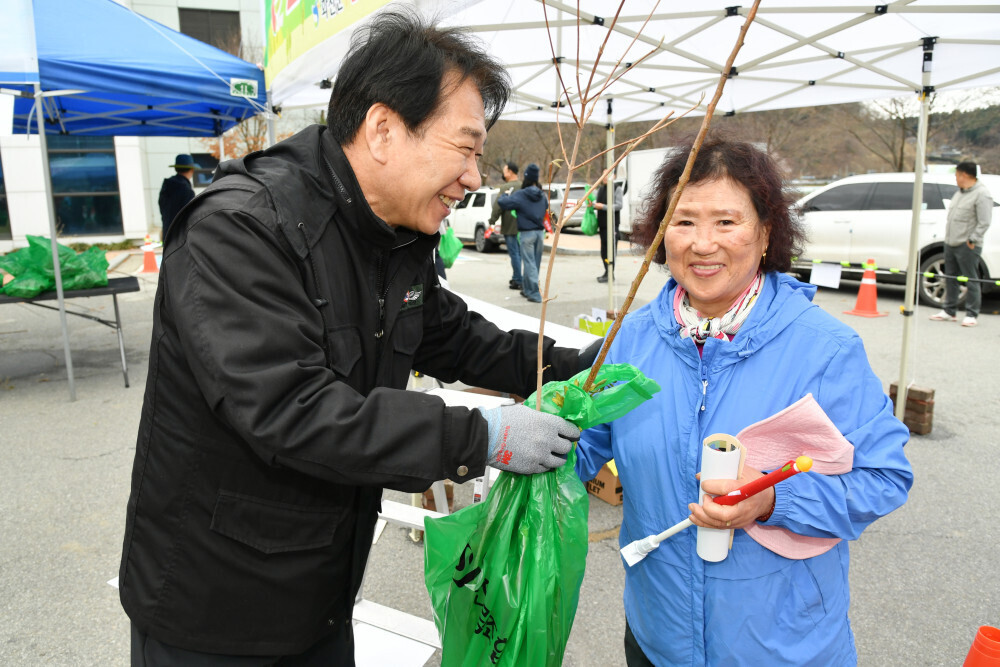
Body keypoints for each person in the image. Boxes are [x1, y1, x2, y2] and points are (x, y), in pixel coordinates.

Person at [119, 10, 600, 665]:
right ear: (382, 130)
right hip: (213, 612)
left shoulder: (390, 236)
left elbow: (457, 337)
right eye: (465, 148)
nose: (474, 177)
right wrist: (482, 436)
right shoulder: (239, 230)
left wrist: (582, 364)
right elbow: (292, 408)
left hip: (320, 597)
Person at [575, 136, 913, 666]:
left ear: (765, 232)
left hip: (784, 648)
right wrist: (525, 442)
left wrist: (774, 501)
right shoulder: (630, 342)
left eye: (726, 222)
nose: (702, 243)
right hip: (657, 636)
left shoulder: (824, 349)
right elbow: (583, 448)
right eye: (684, 221)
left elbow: (884, 477)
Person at [929, 160, 993, 327]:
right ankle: (949, 310)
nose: (956, 178)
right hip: (951, 241)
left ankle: (972, 313)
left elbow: (984, 221)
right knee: (950, 277)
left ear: (965, 175)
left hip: (967, 244)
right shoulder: (959, 193)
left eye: (957, 175)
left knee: (971, 278)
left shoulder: (982, 194)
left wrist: (972, 239)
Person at [497, 162, 547, 302]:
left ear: (526, 178)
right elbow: (546, 207)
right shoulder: (542, 195)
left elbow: (503, 203)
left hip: (527, 234)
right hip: (540, 233)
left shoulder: (522, 194)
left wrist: (505, 195)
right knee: (535, 263)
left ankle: (535, 294)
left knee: (529, 263)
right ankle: (527, 289)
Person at [489, 160, 521, 290]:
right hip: (524, 226)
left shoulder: (505, 188)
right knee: (522, 254)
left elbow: (498, 206)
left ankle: (518, 279)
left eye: (504, 171)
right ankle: (519, 277)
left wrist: (492, 220)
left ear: (510, 172)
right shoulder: (524, 186)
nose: (503, 174)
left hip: (509, 226)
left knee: (514, 254)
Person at [156, 154, 196, 241]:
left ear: (175, 169)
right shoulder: (187, 191)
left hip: (167, 234)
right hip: (181, 238)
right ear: (192, 170)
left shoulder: (166, 186)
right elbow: (190, 217)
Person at [592, 177, 623, 283]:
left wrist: (603, 207)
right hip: (602, 224)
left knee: (611, 250)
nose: (605, 178)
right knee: (604, 251)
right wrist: (593, 205)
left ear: (613, 176)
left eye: (607, 175)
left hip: (612, 225)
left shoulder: (617, 188)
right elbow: (597, 204)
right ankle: (607, 271)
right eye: (603, 175)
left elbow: (619, 205)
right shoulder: (601, 189)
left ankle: (610, 273)